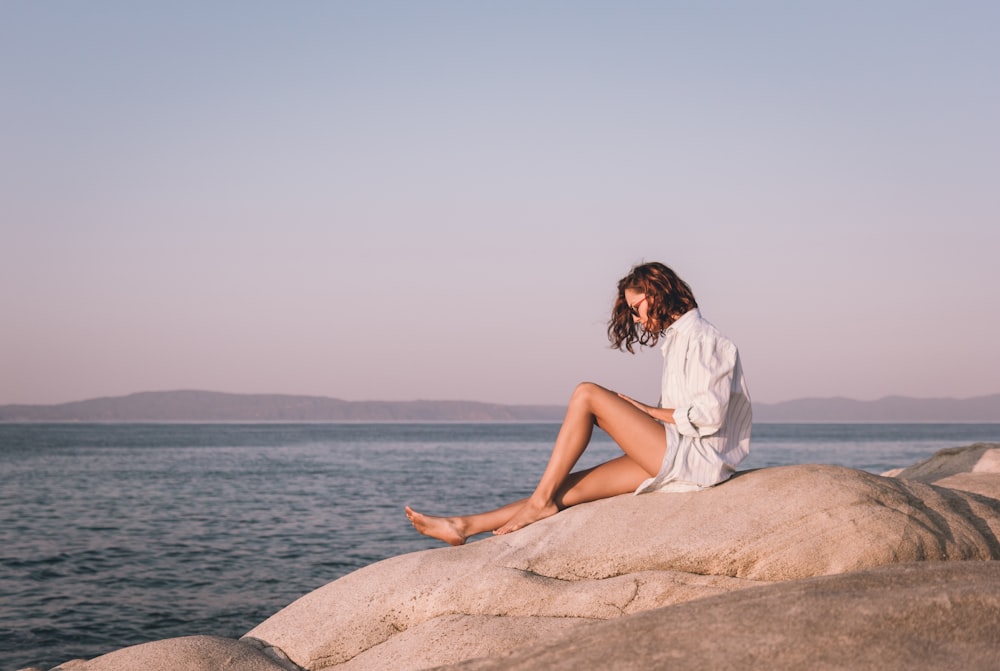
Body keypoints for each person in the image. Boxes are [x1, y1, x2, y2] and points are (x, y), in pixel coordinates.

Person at [405, 261, 752, 546]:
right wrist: (647, 416)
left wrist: (645, 412)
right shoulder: (677, 341)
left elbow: (709, 416)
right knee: (567, 488)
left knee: (586, 393)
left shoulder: (705, 339)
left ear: (657, 292)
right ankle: (463, 525)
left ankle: (538, 503)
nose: (635, 319)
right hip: (678, 453)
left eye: (636, 308)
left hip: (698, 460)